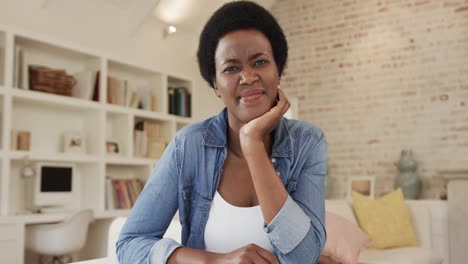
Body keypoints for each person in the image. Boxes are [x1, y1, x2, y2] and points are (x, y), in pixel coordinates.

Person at [117, 1, 327, 263]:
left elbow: (304, 257)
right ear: (215, 84)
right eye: (231, 68)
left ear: (278, 71)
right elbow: (130, 244)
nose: (248, 77)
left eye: (260, 62)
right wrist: (215, 260)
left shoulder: (308, 142)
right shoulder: (188, 146)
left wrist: (252, 144)